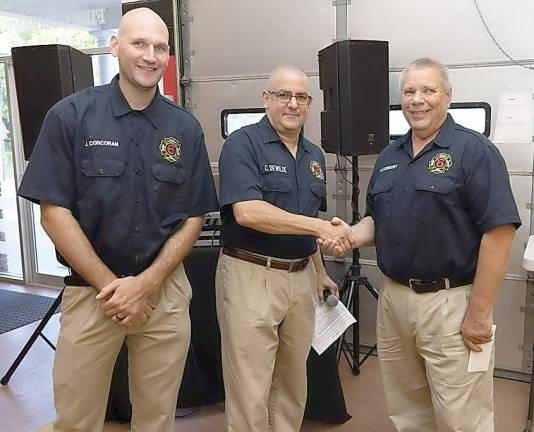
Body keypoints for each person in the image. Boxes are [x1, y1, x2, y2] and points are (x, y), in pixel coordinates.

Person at [18, 8, 218, 432]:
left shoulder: (184, 129)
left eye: (160, 47)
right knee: (76, 419)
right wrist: (114, 287)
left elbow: (193, 217)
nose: (150, 55)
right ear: (115, 46)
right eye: (139, 43)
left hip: (162, 295)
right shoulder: (70, 117)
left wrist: (146, 285)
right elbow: (54, 214)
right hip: (91, 295)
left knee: (157, 418)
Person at [324, 57, 521, 431]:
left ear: (447, 96)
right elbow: (375, 222)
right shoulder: (388, 157)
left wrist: (479, 313)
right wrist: (348, 235)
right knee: (408, 410)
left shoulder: (474, 151)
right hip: (395, 301)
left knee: (461, 415)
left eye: (428, 90)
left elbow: (499, 233)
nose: (418, 100)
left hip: (451, 303)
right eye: (409, 92)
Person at [216, 64, 350, 432]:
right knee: (250, 386)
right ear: (266, 99)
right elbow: (248, 212)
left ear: (310, 102)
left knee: (292, 384)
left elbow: (304, 220)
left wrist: (320, 273)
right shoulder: (243, 144)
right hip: (251, 274)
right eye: (283, 96)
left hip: (301, 278)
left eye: (301, 97)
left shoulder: (314, 156)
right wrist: (320, 227)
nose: (293, 104)